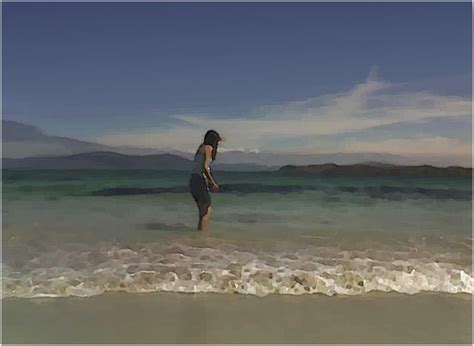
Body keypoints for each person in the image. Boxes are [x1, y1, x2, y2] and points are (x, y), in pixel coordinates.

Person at [189, 130, 222, 231]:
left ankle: (199, 237)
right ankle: (202, 236)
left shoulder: (201, 148)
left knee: (202, 211)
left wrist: (208, 180)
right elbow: (205, 166)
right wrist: (212, 182)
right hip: (199, 180)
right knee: (206, 210)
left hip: (193, 180)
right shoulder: (208, 148)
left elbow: (200, 167)